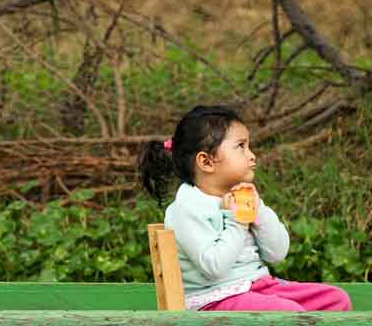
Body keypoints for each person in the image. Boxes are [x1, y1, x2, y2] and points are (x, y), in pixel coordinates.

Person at [140, 104, 352, 312]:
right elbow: (214, 267)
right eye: (241, 146)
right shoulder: (186, 208)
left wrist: (259, 211)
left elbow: (277, 254)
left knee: (336, 300)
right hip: (216, 299)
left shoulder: (240, 196)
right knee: (287, 312)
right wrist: (237, 221)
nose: (252, 155)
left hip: (259, 287)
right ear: (206, 162)